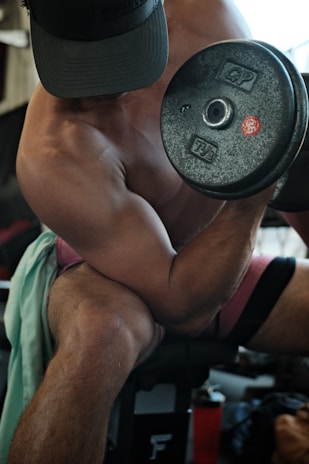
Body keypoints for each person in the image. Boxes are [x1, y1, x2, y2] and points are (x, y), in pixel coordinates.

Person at [1, 0, 309, 462]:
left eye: (121, 57)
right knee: (99, 335)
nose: (101, 85)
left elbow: (281, 133)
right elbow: (181, 304)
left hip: (221, 259)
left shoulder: (211, 18)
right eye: (80, 61)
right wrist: (254, 189)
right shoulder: (53, 151)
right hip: (109, 277)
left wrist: (275, 162)